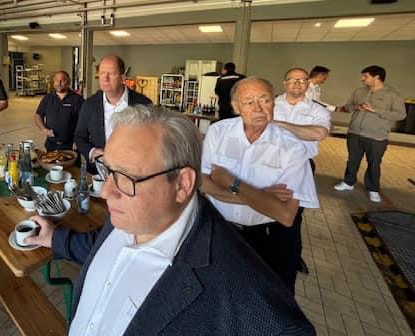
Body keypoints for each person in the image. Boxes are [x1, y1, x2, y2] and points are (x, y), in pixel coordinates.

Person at [26, 105, 315, 335]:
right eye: (108, 170)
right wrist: (54, 238)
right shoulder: (133, 212)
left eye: (126, 176)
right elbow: (103, 246)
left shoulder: (250, 303)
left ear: (182, 184)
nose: (106, 191)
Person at [201, 77, 319, 293]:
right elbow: (203, 184)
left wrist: (231, 182)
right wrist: (262, 196)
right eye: (249, 102)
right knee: (220, 292)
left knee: (269, 297)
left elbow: (285, 214)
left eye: (264, 100)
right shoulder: (218, 132)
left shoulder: (292, 148)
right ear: (236, 107)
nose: (258, 108)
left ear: (274, 103)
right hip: (222, 232)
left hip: (267, 237)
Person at [273, 67, 331, 275]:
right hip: (268, 163)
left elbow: (318, 133)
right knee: (263, 207)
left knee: (292, 216)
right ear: (285, 83)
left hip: (300, 167)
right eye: (293, 79)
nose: (297, 83)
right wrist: (301, 131)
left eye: (302, 80)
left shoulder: (317, 110)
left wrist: (280, 124)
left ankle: (292, 257)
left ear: (308, 84)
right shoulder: (270, 104)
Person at [333, 65, 406, 203]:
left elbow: (401, 115)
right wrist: (356, 107)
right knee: (352, 160)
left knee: (374, 163)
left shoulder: (392, 94)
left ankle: (373, 189)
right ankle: (348, 182)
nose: (362, 79)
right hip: (354, 133)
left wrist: (375, 110)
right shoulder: (359, 91)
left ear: (376, 77)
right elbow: (347, 107)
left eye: (365, 76)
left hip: (376, 136)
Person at [74, 55, 151, 172]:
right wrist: (92, 152)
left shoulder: (143, 104)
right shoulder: (89, 105)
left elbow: (151, 141)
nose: (105, 79)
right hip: (99, 172)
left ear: (122, 77)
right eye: (102, 73)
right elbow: (79, 137)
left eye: (111, 73)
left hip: (132, 172)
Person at [35, 70, 84, 151]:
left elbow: (84, 122)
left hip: (71, 146)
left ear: (68, 82)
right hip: (51, 145)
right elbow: (38, 115)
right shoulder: (47, 98)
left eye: (62, 80)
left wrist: (78, 140)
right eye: (57, 80)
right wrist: (43, 129)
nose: (59, 83)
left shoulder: (77, 99)